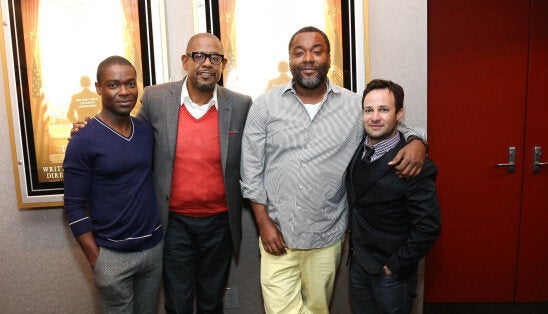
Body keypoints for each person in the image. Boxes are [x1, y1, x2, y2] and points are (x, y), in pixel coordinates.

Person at [240, 26, 428, 314]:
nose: (308, 59)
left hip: (325, 237)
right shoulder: (265, 106)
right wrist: (264, 223)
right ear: (289, 59)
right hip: (277, 236)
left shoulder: (354, 105)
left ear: (329, 58)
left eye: (317, 51)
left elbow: (390, 126)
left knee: (318, 308)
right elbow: (251, 169)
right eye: (299, 52)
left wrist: (418, 140)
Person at [71, 33, 252, 313]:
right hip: (174, 224)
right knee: (177, 303)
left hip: (220, 224)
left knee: (212, 302)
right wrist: (87, 129)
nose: (207, 63)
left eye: (215, 57)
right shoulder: (156, 98)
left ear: (223, 64)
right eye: (199, 56)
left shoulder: (240, 105)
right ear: (185, 61)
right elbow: (126, 131)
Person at [63, 56, 163, 313]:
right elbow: (74, 207)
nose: (124, 92)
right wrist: (98, 261)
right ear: (98, 88)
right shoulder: (83, 140)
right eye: (114, 85)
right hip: (112, 256)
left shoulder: (144, 131)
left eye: (130, 84)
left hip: (152, 250)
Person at [346, 79, 441, 314]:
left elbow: (428, 226)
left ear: (399, 113)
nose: (375, 117)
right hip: (358, 266)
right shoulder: (357, 147)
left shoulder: (413, 163)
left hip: (390, 276)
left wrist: (394, 267)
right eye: (369, 110)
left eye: (384, 109)